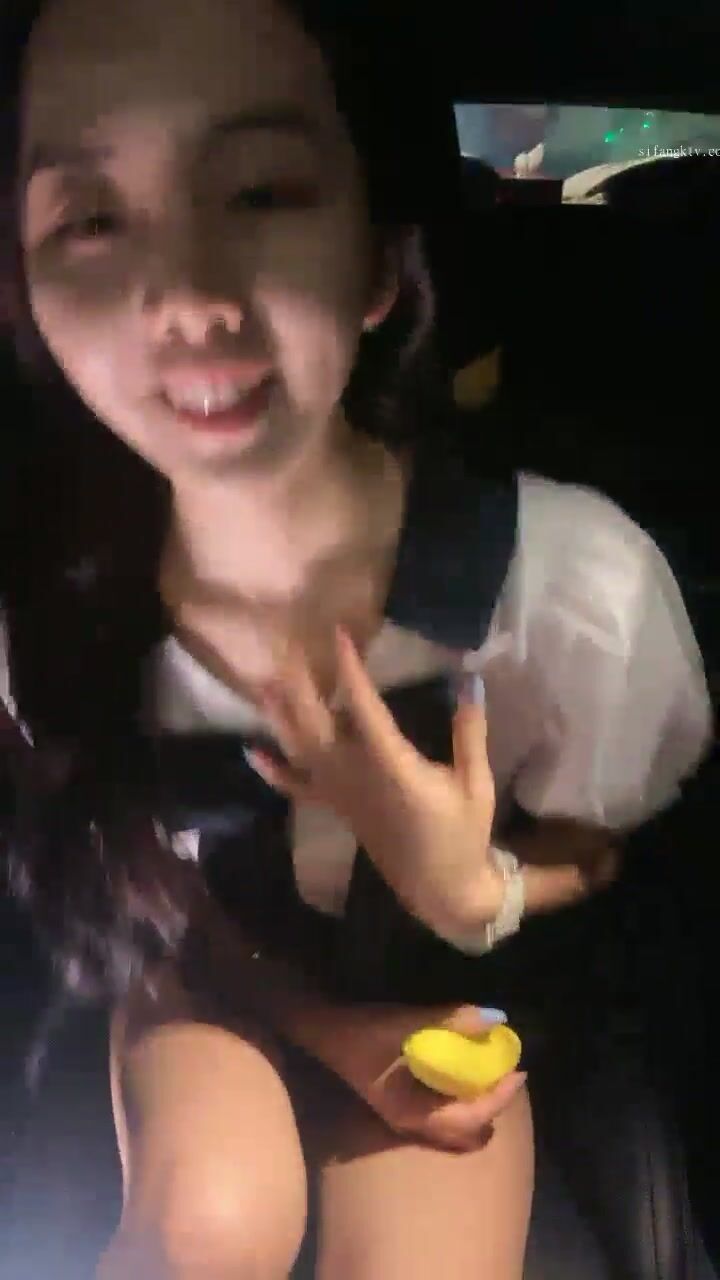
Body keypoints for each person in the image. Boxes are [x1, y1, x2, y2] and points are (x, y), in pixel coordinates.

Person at [0, 0, 712, 1276]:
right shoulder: (59, 607)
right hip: (204, 974)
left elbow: (604, 851)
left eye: (261, 192)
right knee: (202, 1225)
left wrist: (480, 888)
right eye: (93, 219)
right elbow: (125, 886)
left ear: (381, 256)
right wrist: (310, 1023)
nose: (186, 299)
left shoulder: (564, 587)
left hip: (438, 997)